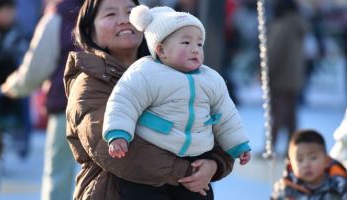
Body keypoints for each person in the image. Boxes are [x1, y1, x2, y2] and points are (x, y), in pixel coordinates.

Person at [64, 0, 235, 199]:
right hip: (114, 191)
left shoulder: (178, 69)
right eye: (110, 14)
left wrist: (215, 163)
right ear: (89, 31)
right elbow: (111, 150)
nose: (124, 20)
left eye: (131, 12)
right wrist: (188, 172)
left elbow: (219, 124)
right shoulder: (89, 83)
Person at [103, 5, 251, 167]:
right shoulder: (146, 72)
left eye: (199, 44)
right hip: (154, 148)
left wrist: (239, 145)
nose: (195, 49)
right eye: (186, 42)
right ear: (161, 50)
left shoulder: (211, 79)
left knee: (197, 190)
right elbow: (124, 102)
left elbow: (227, 116)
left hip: (197, 155)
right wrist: (118, 134)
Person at [1, 0, 82, 199]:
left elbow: (36, 68)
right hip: (112, 108)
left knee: (58, 177)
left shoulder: (59, 15)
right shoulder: (111, 10)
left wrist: (10, 88)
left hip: (67, 105)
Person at [267, 0, 308, 155]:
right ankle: (292, 148)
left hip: (280, 77)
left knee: (276, 115)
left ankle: (270, 148)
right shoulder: (298, 25)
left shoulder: (281, 26)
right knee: (291, 116)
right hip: (294, 77)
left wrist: (266, 73)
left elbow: (273, 54)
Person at [271, 129, 347, 199]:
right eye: (300, 160)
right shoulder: (286, 188)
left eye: (313, 158)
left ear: (327, 161)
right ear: (291, 164)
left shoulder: (339, 186)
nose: (306, 165)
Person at [0, 0, 31, 158]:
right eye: (5, 11)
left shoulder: (19, 31)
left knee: (23, 102)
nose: (9, 15)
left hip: (12, 81)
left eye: (11, 11)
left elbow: (25, 56)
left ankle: (21, 141)